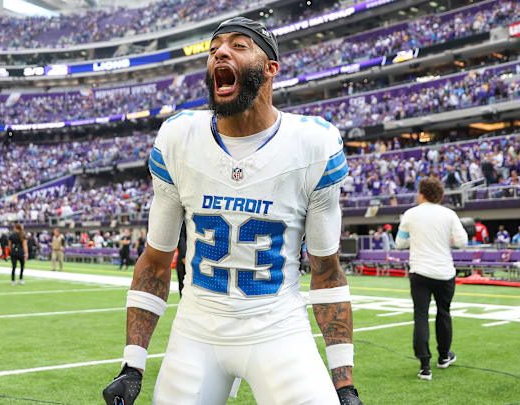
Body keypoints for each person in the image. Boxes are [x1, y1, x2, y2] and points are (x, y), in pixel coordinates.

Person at [103, 17, 363, 405]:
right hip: (197, 331)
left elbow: (326, 272)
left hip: (278, 329)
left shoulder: (313, 143)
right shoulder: (178, 138)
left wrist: (344, 385)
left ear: (271, 69)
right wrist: (132, 365)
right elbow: (155, 262)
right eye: (215, 48)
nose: (220, 52)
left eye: (239, 46)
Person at [395, 177, 468, 381]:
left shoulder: (410, 214)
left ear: (422, 193)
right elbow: (462, 242)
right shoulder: (449, 214)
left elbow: (399, 243)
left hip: (419, 272)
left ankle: (424, 366)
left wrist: (415, 238)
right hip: (445, 273)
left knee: (421, 316)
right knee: (444, 313)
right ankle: (444, 357)